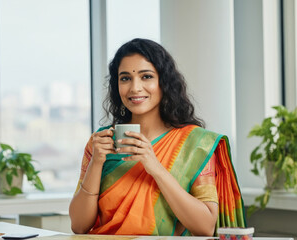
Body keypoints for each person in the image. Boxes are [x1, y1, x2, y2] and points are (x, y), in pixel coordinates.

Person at [69, 38, 245, 236]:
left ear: (164, 81)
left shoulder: (195, 144)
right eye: (125, 78)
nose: (135, 88)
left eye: (146, 77)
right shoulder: (101, 142)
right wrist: (96, 162)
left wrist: (155, 168)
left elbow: (205, 228)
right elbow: (79, 226)